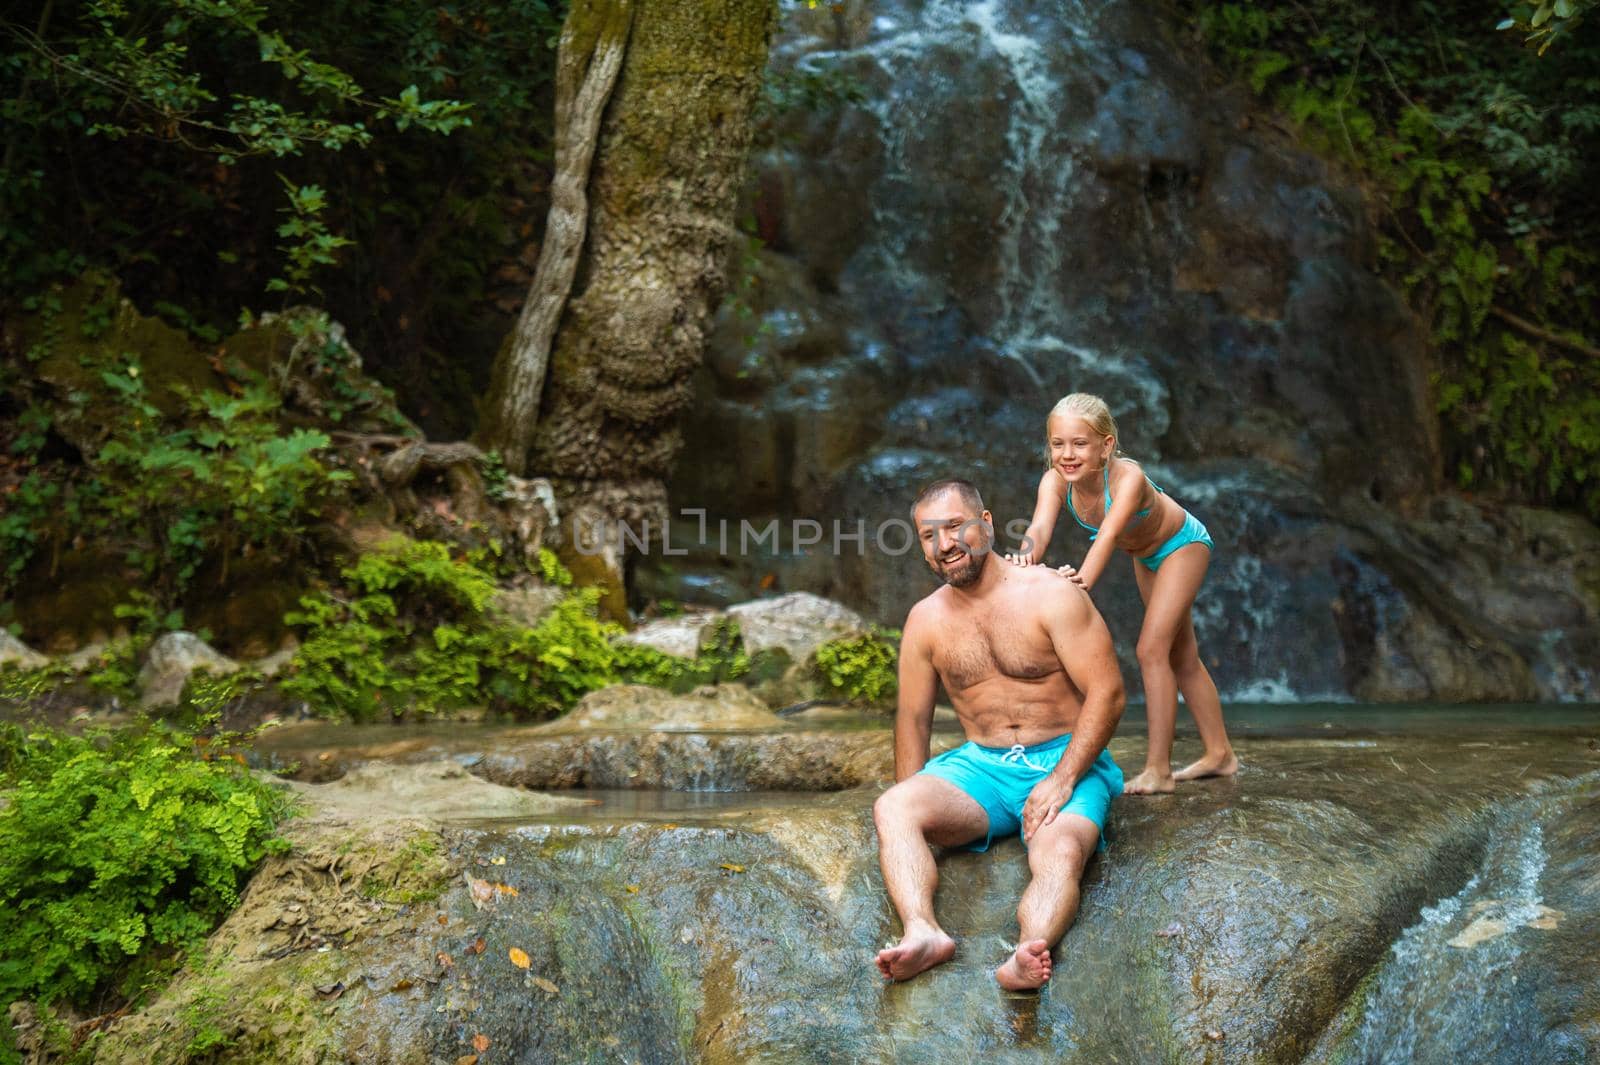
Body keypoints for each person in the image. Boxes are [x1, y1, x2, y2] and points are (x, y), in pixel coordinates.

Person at [873, 478, 1125, 990]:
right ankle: (923, 931)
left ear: (985, 524)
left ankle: (1028, 952)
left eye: (955, 526)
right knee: (893, 807)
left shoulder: (1052, 595)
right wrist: (914, 801)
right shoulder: (924, 620)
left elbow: (1108, 693)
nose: (945, 544)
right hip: (982, 767)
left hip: (1063, 757)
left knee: (1059, 852)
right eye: (928, 535)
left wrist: (1062, 779)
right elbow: (914, 719)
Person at [1007, 393, 1237, 794]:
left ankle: (1158, 770)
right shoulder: (1055, 481)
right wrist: (1023, 560)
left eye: (1079, 444)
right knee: (1182, 657)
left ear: (1106, 445)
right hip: (1146, 556)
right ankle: (1220, 755)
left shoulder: (1127, 478)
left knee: (1152, 650)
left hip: (1183, 545)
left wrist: (1080, 584)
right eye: (1058, 444)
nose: (1067, 454)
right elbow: (1040, 528)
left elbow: (1109, 535)